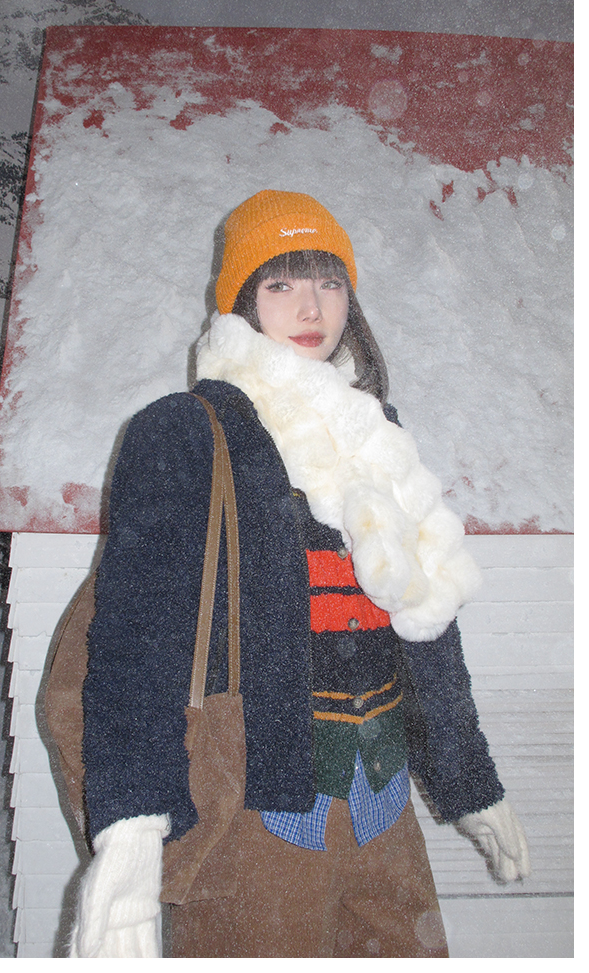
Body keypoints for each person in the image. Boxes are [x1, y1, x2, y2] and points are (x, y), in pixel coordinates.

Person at [67, 190, 530, 958]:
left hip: (385, 812)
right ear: (243, 299)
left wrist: (470, 782)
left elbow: (426, 629)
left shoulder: (377, 437)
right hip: (258, 820)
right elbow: (136, 647)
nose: (311, 307)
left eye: (329, 281)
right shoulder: (185, 434)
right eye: (281, 283)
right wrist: (132, 827)